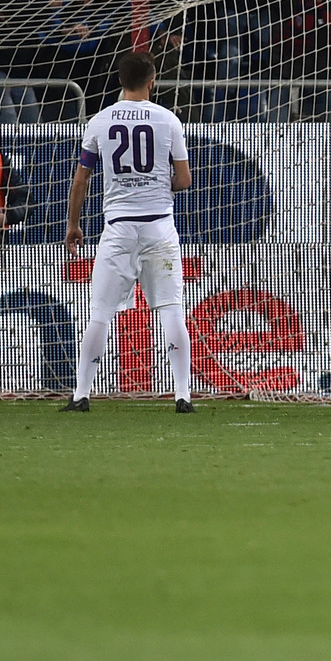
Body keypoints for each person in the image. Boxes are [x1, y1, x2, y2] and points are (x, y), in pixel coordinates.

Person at [62, 51, 195, 413]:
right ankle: (183, 396)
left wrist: (74, 224)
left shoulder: (100, 121)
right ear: (152, 80)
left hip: (118, 228)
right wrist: (154, 184)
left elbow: (81, 180)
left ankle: (81, 395)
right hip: (159, 228)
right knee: (170, 309)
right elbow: (183, 179)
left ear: (120, 81)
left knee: (101, 312)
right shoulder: (168, 120)